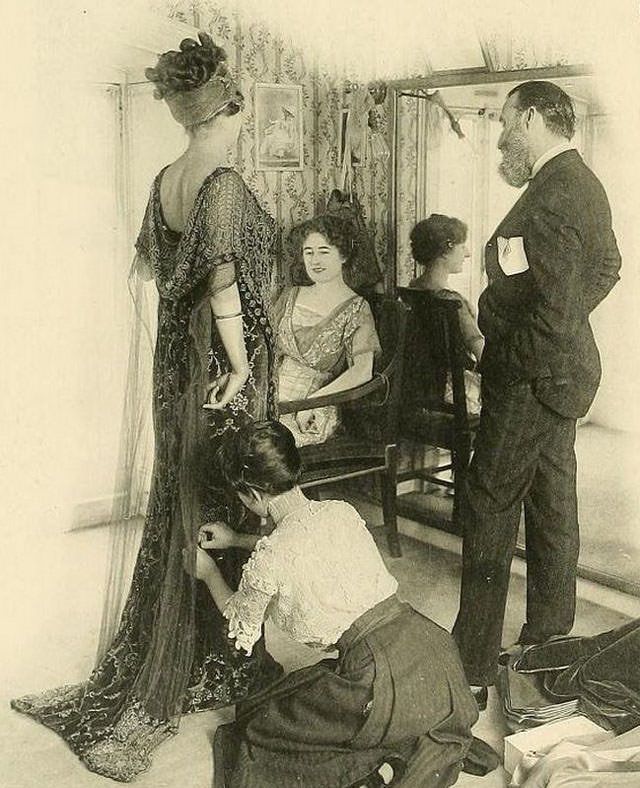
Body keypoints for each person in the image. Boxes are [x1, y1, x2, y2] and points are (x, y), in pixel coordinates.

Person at [12, 34, 281, 781]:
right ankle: (214, 657)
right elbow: (225, 284)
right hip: (219, 373)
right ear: (230, 105)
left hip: (175, 366)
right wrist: (234, 362)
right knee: (225, 494)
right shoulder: (221, 180)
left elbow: (147, 269)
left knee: (182, 494)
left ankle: (190, 640)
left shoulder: (168, 175)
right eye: (240, 104)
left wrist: (184, 336)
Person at [183, 420, 481, 788]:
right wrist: (236, 539)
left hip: (375, 680)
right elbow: (298, 548)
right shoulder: (341, 511)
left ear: (254, 496)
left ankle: (384, 757)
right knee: (281, 702)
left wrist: (208, 571)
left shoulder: (270, 558)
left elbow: (238, 622)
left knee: (258, 728)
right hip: (433, 649)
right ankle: (408, 732)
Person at [451, 80, 622, 708]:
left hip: (528, 379)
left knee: (488, 504)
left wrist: (509, 357)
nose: (502, 134)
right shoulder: (584, 182)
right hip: (564, 374)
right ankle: (547, 641)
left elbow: (553, 308)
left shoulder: (551, 196)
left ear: (529, 119)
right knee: (553, 506)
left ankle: (470, 663)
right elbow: (607, 267)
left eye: (504, 121)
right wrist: (561, 327)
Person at [274, 214, 381, 445]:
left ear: (343, 255)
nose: (315, 260)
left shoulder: (357, 308)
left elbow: (363, 371)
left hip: (314, 407)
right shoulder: (289, 295)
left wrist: (313, 401)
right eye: (308, 252)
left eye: (324, 251)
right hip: (272, 395)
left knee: (264, 442)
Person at [409, 214, 484, 414]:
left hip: (420, 391)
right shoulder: (452, 301)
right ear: (445, 250)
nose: (467, 254)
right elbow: (481, 353)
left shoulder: (412, 290)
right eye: (462, 246)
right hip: (453, 396)